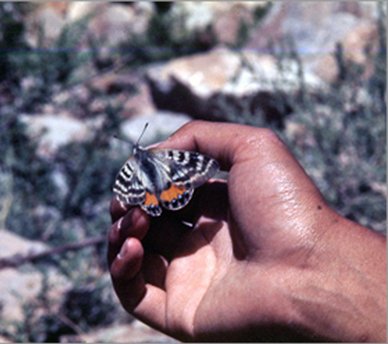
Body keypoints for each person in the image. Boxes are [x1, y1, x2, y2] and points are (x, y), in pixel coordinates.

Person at [107, 121, 386, 342]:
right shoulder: (161, 157)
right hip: (168, 189)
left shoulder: (134, 166)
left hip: (155, 197)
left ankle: (156, 200)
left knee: (142, 216)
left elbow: (127, 189)